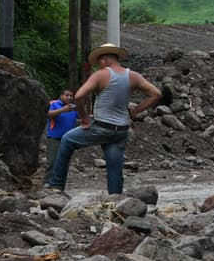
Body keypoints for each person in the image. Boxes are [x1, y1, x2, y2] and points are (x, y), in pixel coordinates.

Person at [45, 43, 162, 195]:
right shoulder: (133, 76)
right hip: (121, 130)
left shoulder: (101, 75)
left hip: (102, 126)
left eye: (99, 62)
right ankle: (115, 199)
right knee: (114, 167)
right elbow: (156, 94)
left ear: (105, 59)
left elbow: (79, 96)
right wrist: (136, 110)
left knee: (67, 140)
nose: (99, 65)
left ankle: (56, 185)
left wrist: (85, 117)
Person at [43, 89, 78, 183]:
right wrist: (62, 110)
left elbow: (79, 118)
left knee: (65, 162)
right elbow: (47, 114)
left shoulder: (74, 107)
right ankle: (47, 183)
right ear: (61, 96)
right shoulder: (54, 104)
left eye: (71, 96)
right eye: (67, 95)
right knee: (52, 161)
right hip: (54, 138)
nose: (69, 97)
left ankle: (59, 184)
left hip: (68, 139)